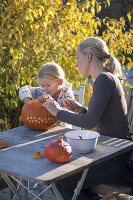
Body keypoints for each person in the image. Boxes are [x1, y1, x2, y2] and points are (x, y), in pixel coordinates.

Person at [43, 37, 131, 200]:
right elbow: (98, 119)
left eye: (78, 58)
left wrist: (57, 112)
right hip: (113, 155)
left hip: (118, 160)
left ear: (88, 56)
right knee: (64, 176)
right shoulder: (106, 78)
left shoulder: (104, 79)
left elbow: (89, 123)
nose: (76, 63)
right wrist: (81, 109)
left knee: (61, 179)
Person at [19, 62, 74, 127]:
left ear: (60, 82)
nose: (45, 88)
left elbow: (69, 115)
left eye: (48, 85)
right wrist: (27, 100)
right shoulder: (41, 91)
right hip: (43, 128)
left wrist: (53, 104)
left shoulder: (66, 95)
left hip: (61, 130)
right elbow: (24, 88)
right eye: (42, 85)